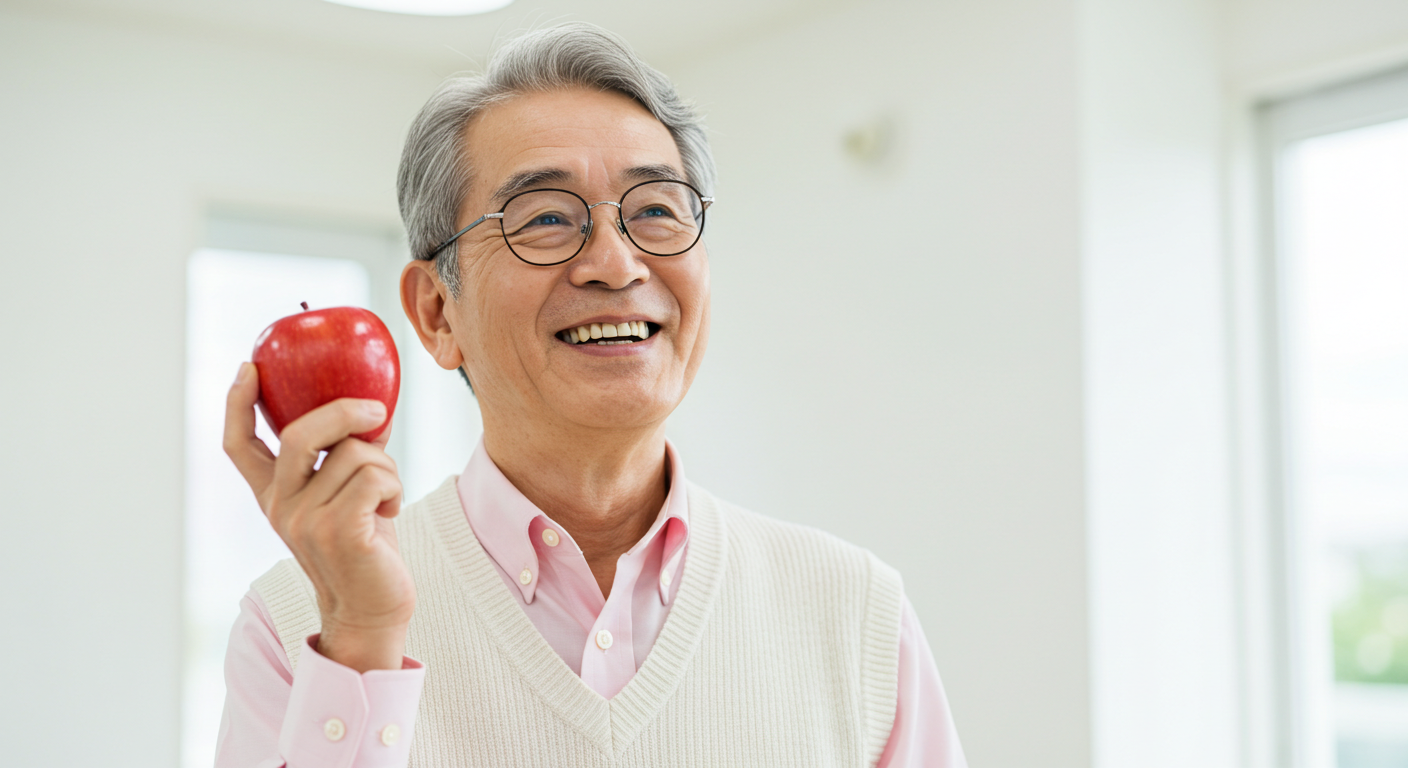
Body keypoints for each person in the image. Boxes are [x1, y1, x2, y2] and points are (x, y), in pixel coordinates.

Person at [217, 22, 965, 768]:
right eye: (545, 218)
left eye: (655, 212)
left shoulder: (858, 615)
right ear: (438, 314)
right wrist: (361, 645)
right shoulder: (295, 629)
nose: (615, 264)